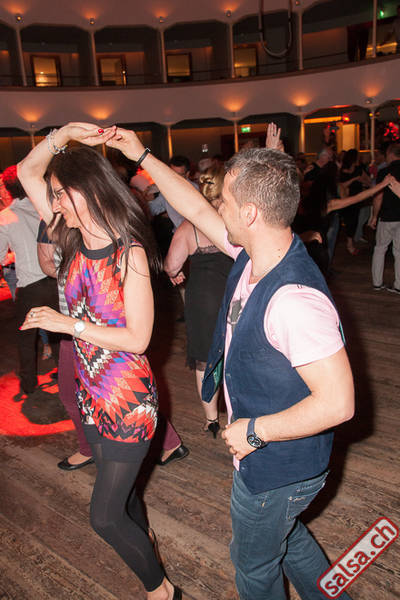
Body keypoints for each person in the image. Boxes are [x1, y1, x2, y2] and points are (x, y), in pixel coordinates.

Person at [104, 123, 355, 600]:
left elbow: (339, 403)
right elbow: (194, 207)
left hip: (276, 465)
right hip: (276, 464)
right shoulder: (254, 250)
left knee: (253, 564)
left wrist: (254, 431)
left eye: (224, 201)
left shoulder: (293, 300)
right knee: (285, 538)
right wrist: (142, 155)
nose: (214, 206)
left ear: (251, 213)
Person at [18, 123, 182, 600]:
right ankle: (145, 546)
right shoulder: (68, 235)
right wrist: (64, 134)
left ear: (86, 190)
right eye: (52, 195)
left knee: (105, 516)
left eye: (60, 194)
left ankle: (162, 591)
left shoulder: (129, 254)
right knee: (124, 499)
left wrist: (69, 325)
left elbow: (138, 339)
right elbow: (27, 170)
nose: (54, 205)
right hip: (91, 394)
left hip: (128, 399)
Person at [164, 166, 233, 437]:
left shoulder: (189, 225)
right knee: (237, 353)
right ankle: (239, 414)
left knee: (205, 359)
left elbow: (171, 265)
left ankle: (211, 419)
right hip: (237, 293)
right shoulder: (237, 218)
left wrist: (175, 273)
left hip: (204, 298)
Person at [0, 165, 58, 395]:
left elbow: (1, 257)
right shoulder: (44, 209)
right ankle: (65, 376)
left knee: (26, 338)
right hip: (54, 279)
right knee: (58, 333)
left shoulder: (5, 217)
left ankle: (28, 385)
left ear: (8, 189)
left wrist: (16, 254)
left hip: (30, 285)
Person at [369, 143, 400, 293]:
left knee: (380, 249)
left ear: (390, 154)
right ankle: (399, 285)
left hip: (387, 216)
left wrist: (374, 216)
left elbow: (378, 197)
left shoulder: (384, 172)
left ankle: (377, 282)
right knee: (399, 251)